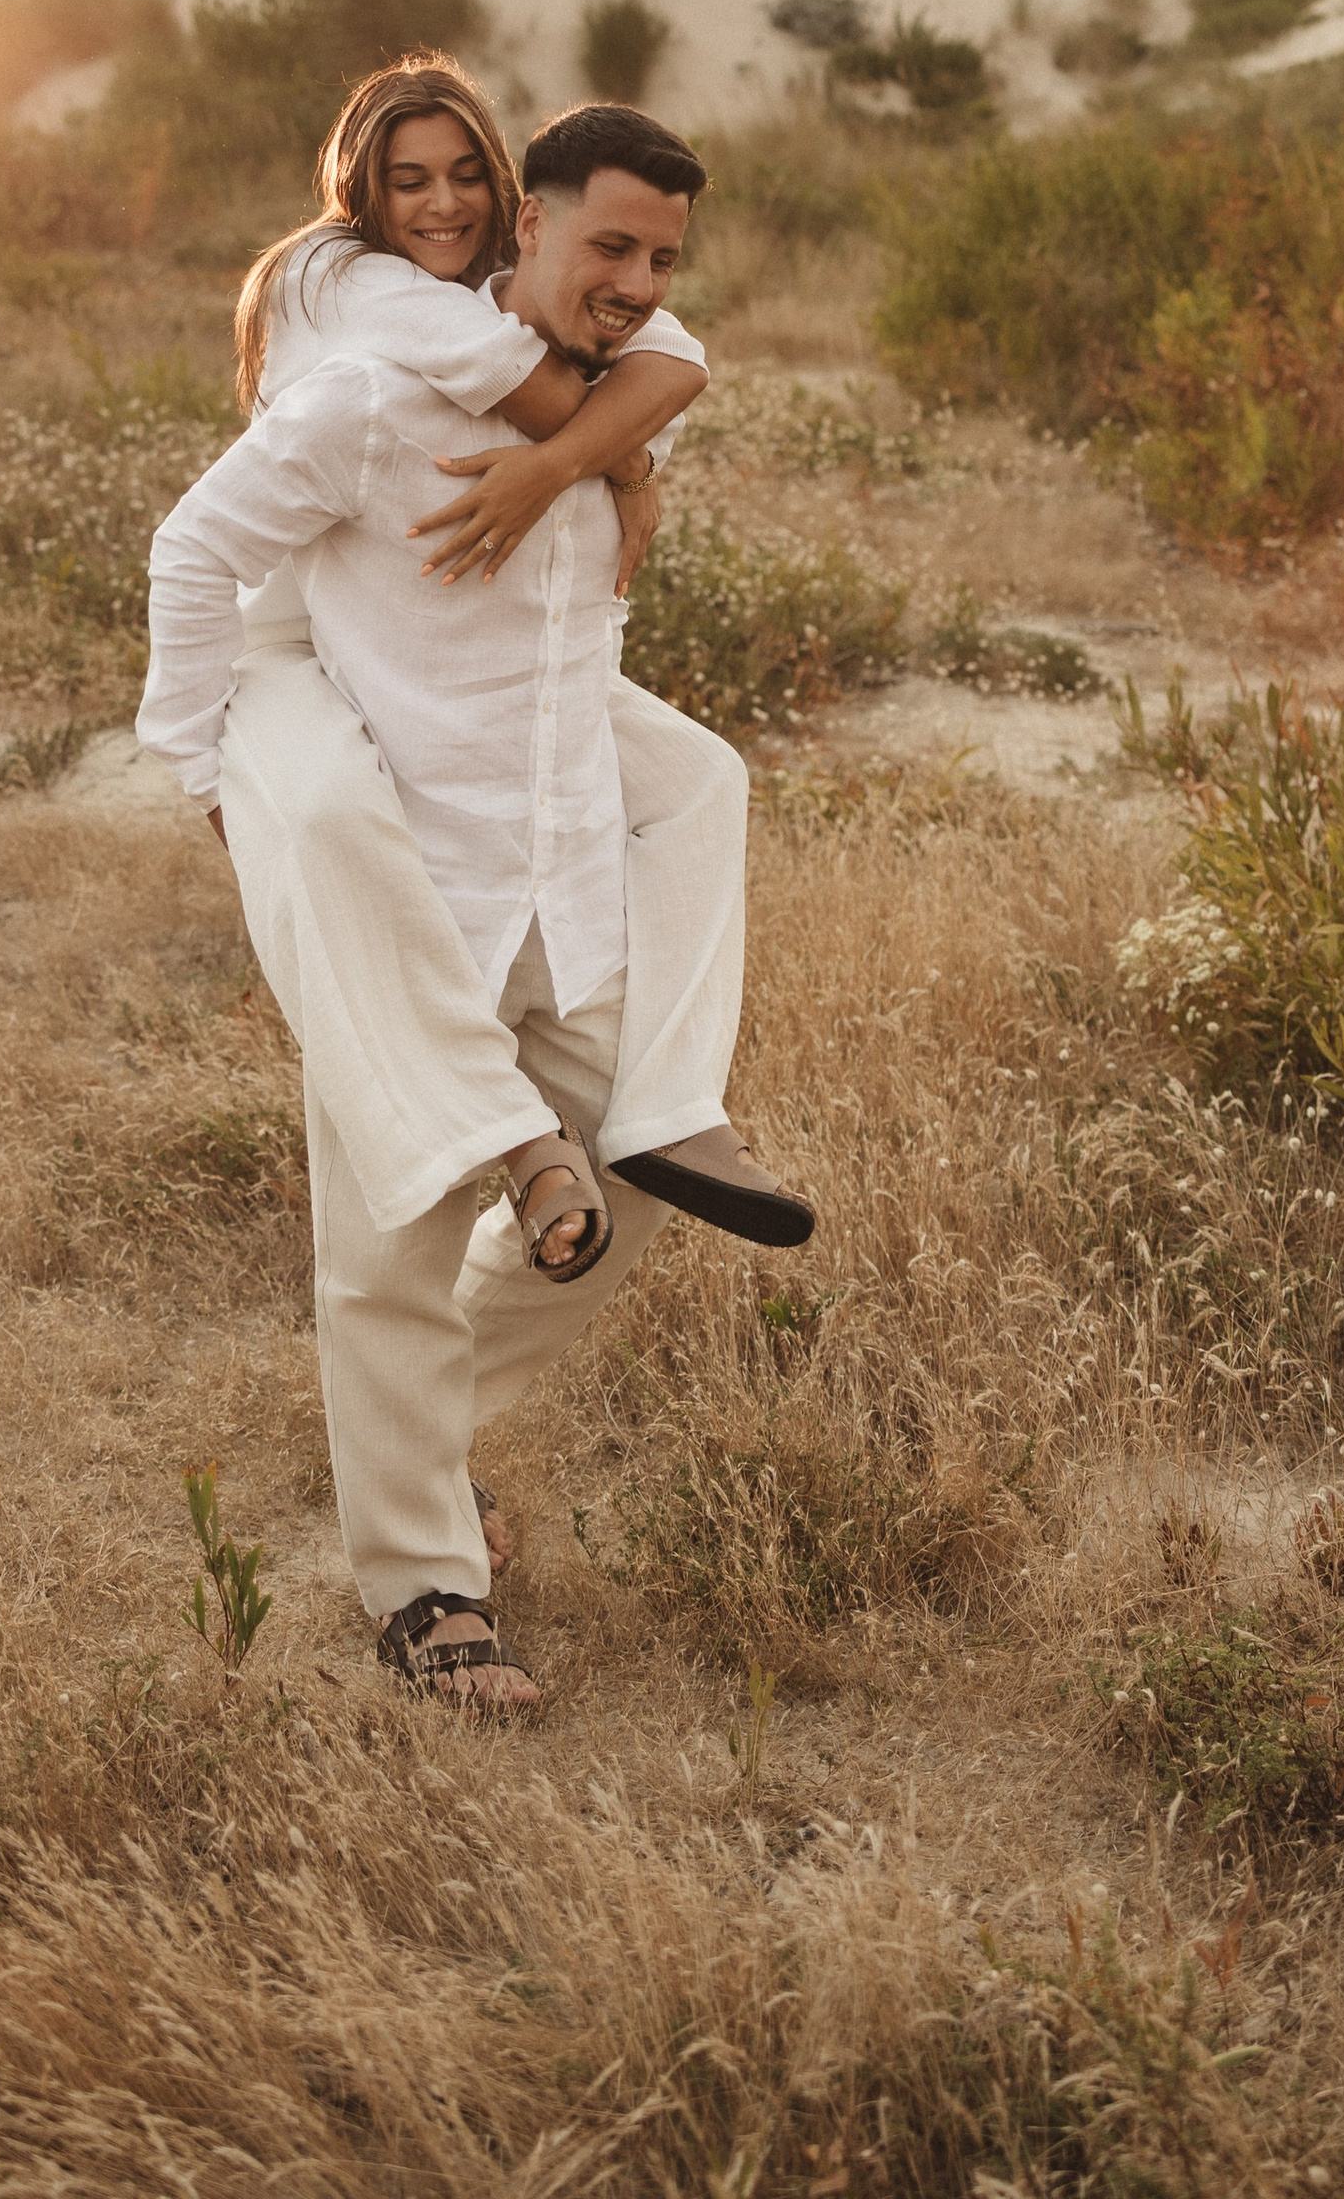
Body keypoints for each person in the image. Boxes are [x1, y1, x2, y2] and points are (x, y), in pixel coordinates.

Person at [139, 95, 812, 1711]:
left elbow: (664, 375)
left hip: (564, 892)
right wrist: (205, 775)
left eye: (662, 256)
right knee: (382, 1259)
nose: (638, 280)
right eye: (609, 247)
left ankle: (424, 1445)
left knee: (633, 1188)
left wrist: (601, 465)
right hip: (408, 886)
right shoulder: (373, 401)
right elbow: (193, 547)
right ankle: (429, 1593)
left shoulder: (611, 398)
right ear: (525, 232)